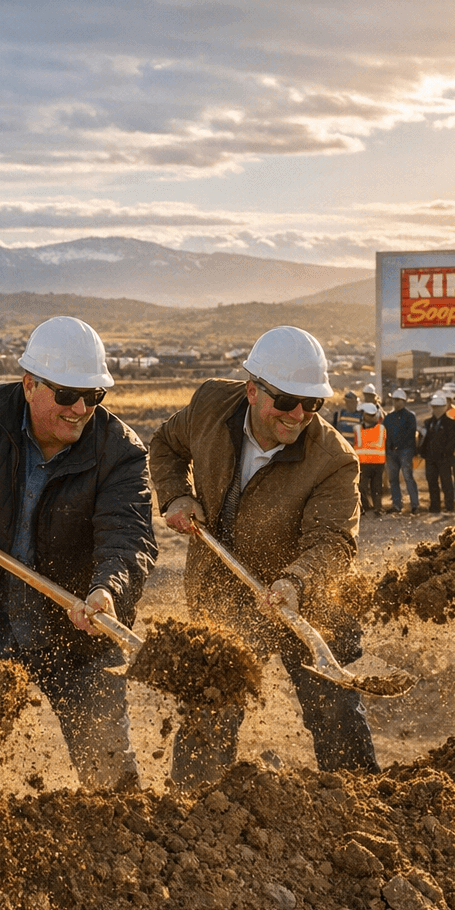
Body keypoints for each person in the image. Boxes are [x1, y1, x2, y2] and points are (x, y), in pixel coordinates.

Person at [0, 315, 156, 789]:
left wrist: (107, 590)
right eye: (66, 395)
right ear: (29, 384)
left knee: (111, 784)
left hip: (78, 636)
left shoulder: (120, 451)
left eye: (93, 397)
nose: (80, 408)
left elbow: (129, 536)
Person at [150, 325, 378, 789]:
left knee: (335, 712)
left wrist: (294, 581)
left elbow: (334, 541)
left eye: (311, 404)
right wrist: (176, 495)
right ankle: (191, 814)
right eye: (287, 402)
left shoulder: (334, 459)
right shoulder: (212, 405)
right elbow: (166, 447)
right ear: (252, 390)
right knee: (208, 714)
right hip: (222, 598)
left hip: (305, 603)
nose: (299, 416)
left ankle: (361, 802)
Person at [417, 393, 455, 515]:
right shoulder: (428, 423)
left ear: (444, 407)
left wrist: (446, 453)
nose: (436, 409)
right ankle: (435, 507)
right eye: (434, 406)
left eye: (439, 406)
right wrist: (422, 452)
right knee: (432, 483)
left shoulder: (450, 423)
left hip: (444, 459)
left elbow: (452, 441)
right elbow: (423, 439)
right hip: (430, 458)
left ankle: (449, 507)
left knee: (446, 483)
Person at [382, 388, 419, 515]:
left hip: (405, 451)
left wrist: (399, 445)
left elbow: (410, 434)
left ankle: (415, 505)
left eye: (398, 400)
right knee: (393, 479)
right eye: (394, 400)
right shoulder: (389, 418)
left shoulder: (410, 417)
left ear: (403, 401)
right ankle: (397, 505)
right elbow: (385, 434)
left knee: (408, 477)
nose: (396, 402)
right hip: (392, 452)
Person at [353, 402, 387, 516]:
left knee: (368, 487)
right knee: (371, 487)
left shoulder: (358, 429)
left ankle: (373, 508)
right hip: (371, 463)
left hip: (370, 464)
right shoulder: (381, 428)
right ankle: (371, 508)